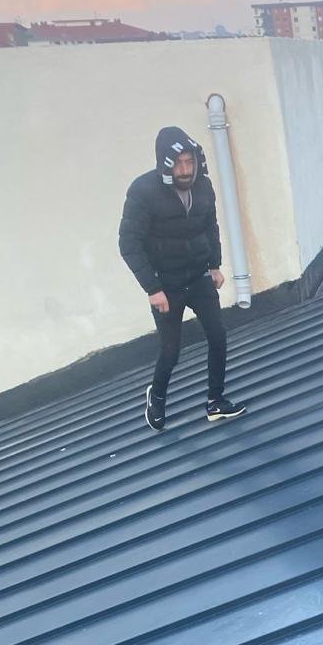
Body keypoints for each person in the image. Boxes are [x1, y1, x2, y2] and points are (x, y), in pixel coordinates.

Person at [119, 125, 247, 432]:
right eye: (178, 164)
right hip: (166, 285)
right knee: (171, 350)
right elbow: (129, 244)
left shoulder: (203, 186)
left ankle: (215, 401)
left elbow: (210, 225)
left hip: (198, 276)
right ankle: (156, 397)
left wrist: (214, 265)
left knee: (218, 337)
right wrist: (152, 288)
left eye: (190, 162)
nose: (186, 170)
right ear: (166, 164)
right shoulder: (143, 192)